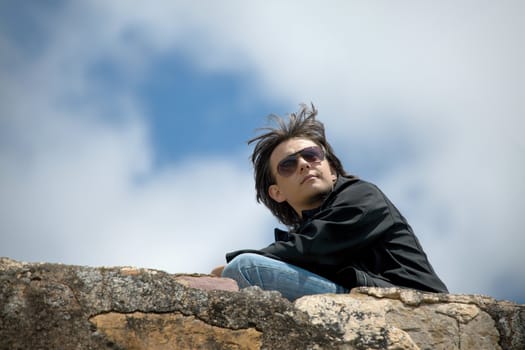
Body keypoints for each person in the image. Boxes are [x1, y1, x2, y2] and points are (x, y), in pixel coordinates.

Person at [211, 104, 448, 301]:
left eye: (312, 155)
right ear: (277, 193)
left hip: (411, 301)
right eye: (288, 165)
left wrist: (230, 266)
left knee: (245, 269)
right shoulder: (307, 236)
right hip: (362, 295)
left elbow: (313, 246)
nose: (304, 164)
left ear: (332, 169)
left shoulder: (363, 196)